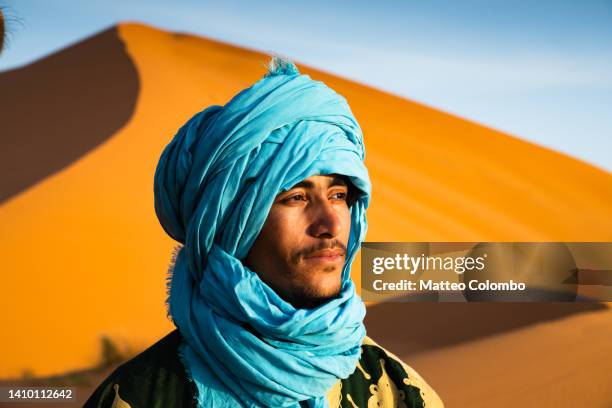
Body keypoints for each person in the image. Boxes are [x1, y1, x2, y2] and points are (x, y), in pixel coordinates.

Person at [84, 57, 443, 408]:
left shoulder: (399, 393)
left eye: (339, 195)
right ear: (231, 224)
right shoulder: (137, 396)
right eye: (296, 197)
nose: (331, 225)